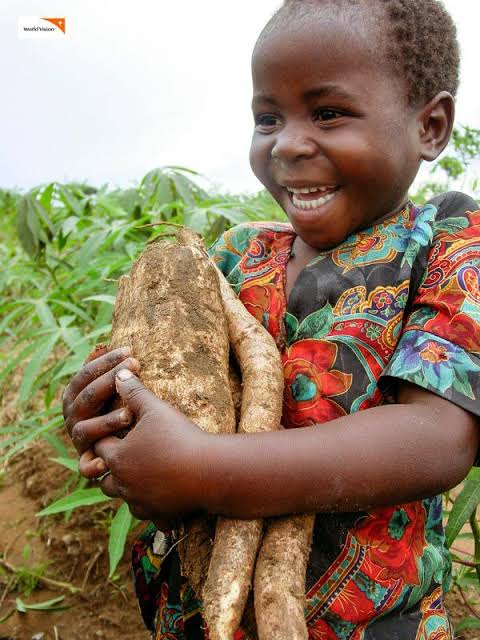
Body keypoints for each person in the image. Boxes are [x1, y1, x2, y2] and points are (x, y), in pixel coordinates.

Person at [62, 0, 480, 638]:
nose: (287, 143)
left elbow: (437, 438)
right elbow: (162, 393)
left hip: (366, 623)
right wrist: (104, 414)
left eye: (328, 113)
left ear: (430, 125)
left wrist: (203, 470)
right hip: (197, 611)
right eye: (267, 118)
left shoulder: (448, 238)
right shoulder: (230, 257)